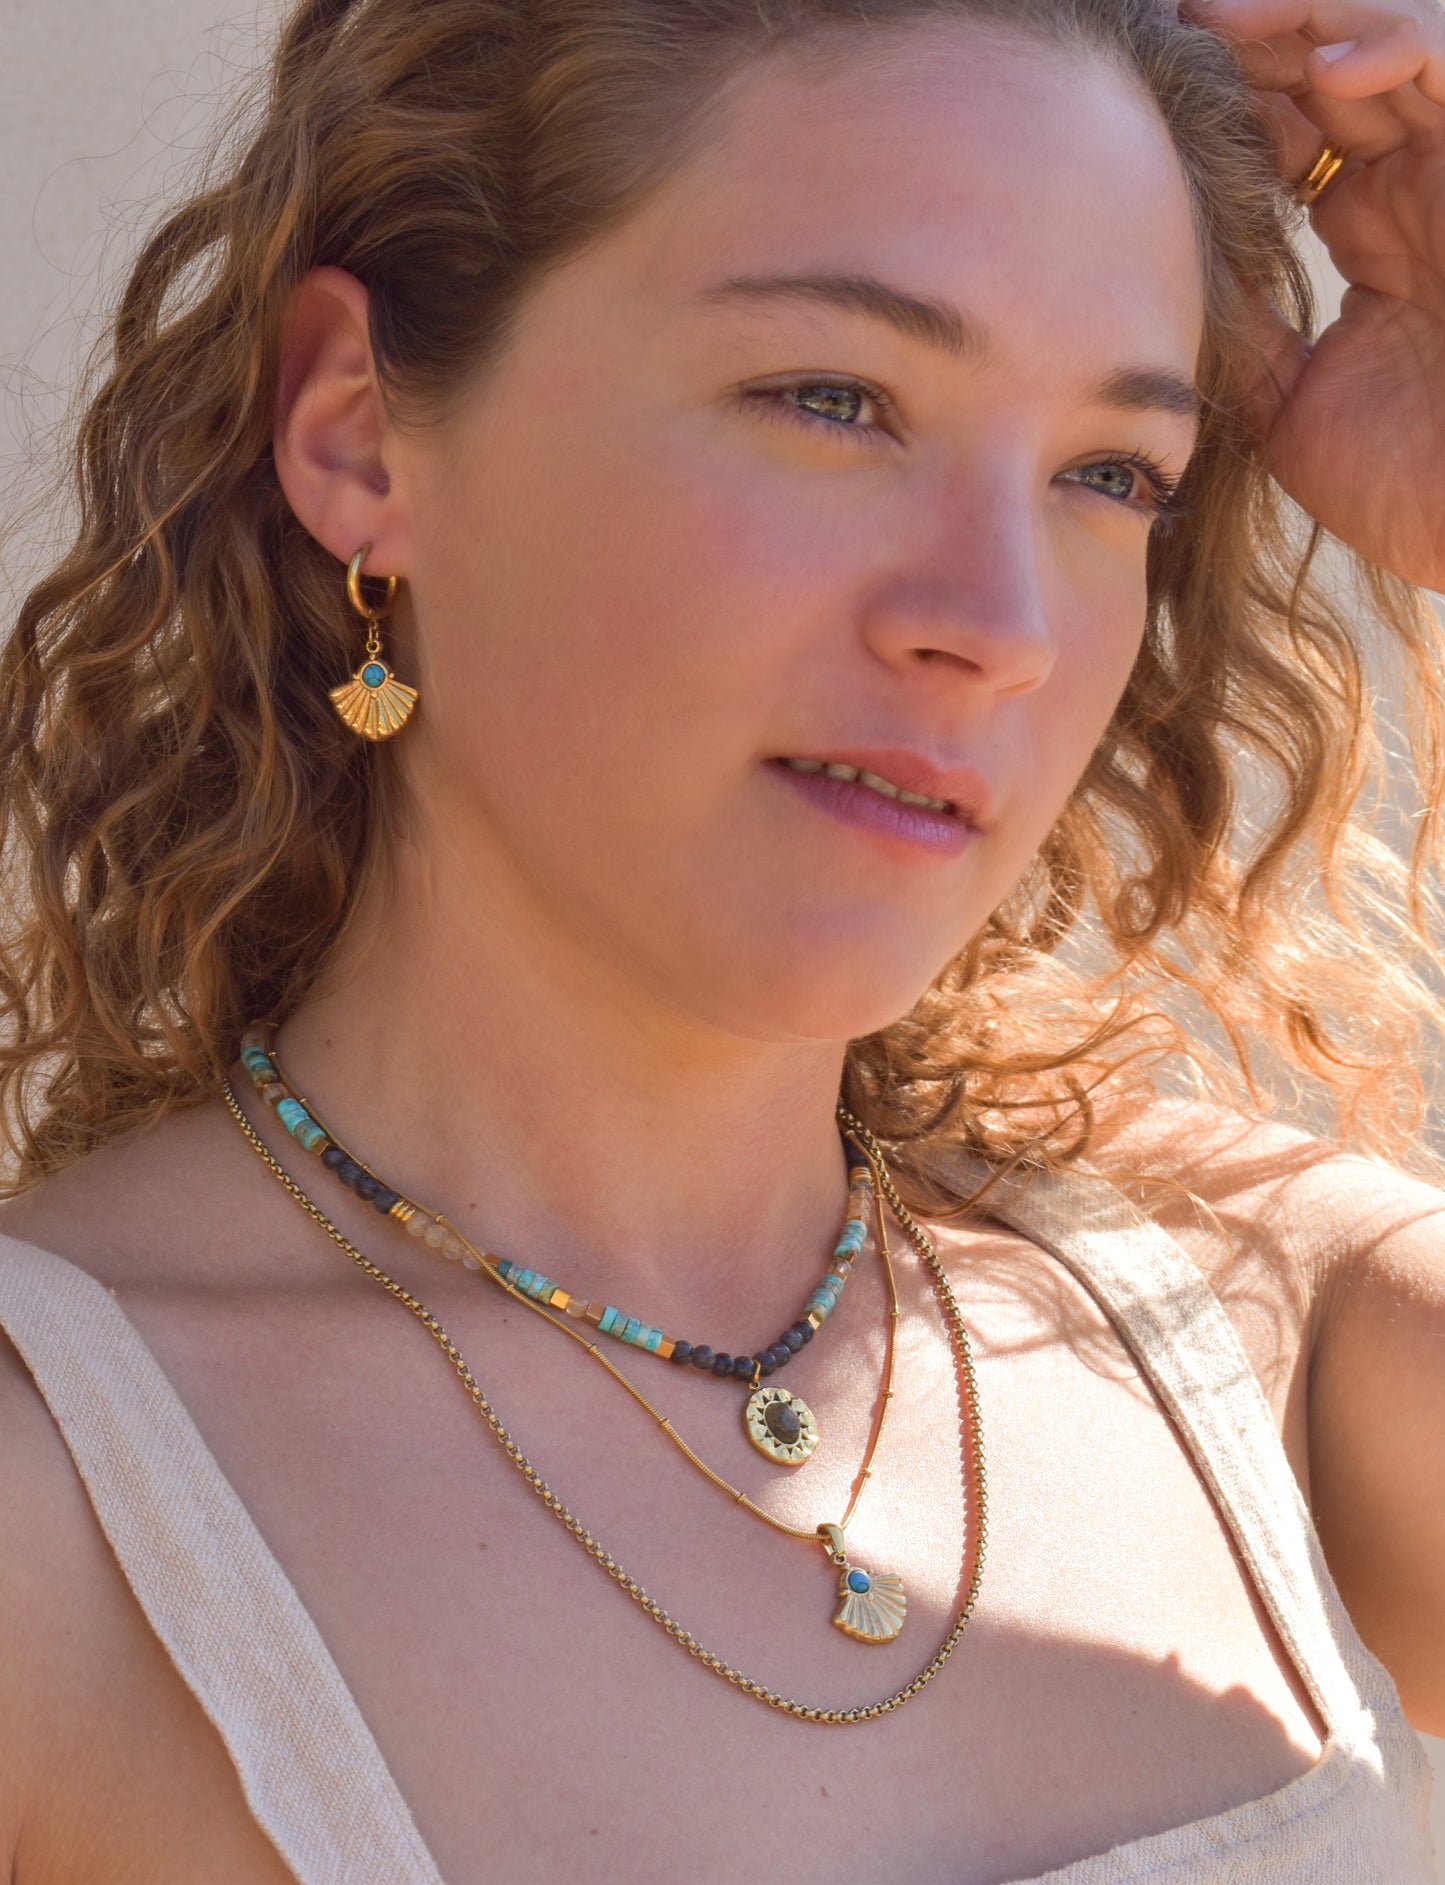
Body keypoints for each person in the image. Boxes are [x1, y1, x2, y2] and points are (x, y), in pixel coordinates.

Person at [0, 0, 1441, 1877]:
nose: (997, 622)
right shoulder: (57, 1510)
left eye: (1111, 474)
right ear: (357, 430)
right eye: (832, 399)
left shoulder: (1260, 1329)